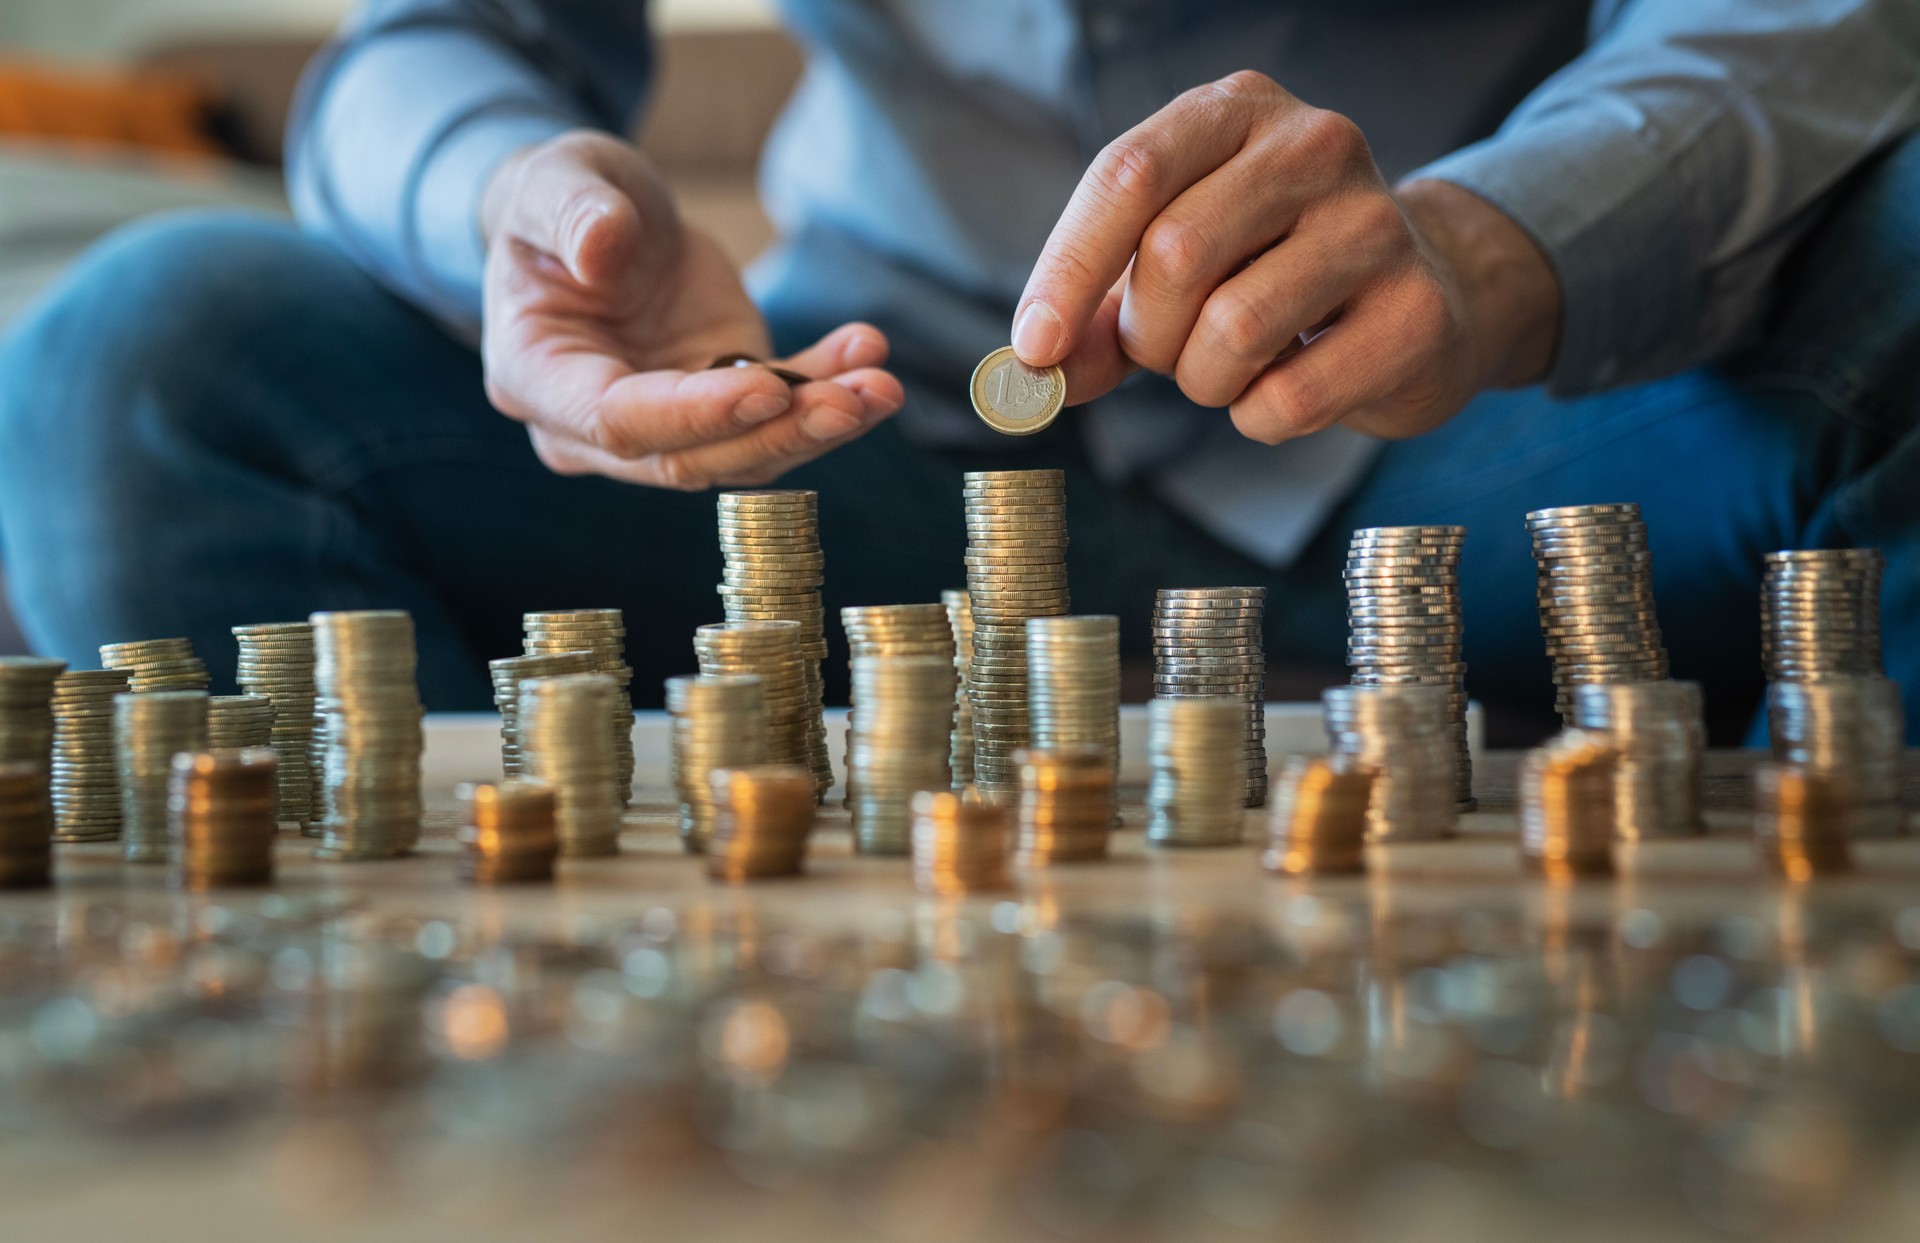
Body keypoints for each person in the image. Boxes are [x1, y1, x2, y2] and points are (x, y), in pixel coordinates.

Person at [1, 0, 1918, 746]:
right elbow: (437, 44)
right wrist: (517, 191)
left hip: (1514, 438)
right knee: (141, 367)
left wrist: (1495, 247)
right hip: (876, 458)